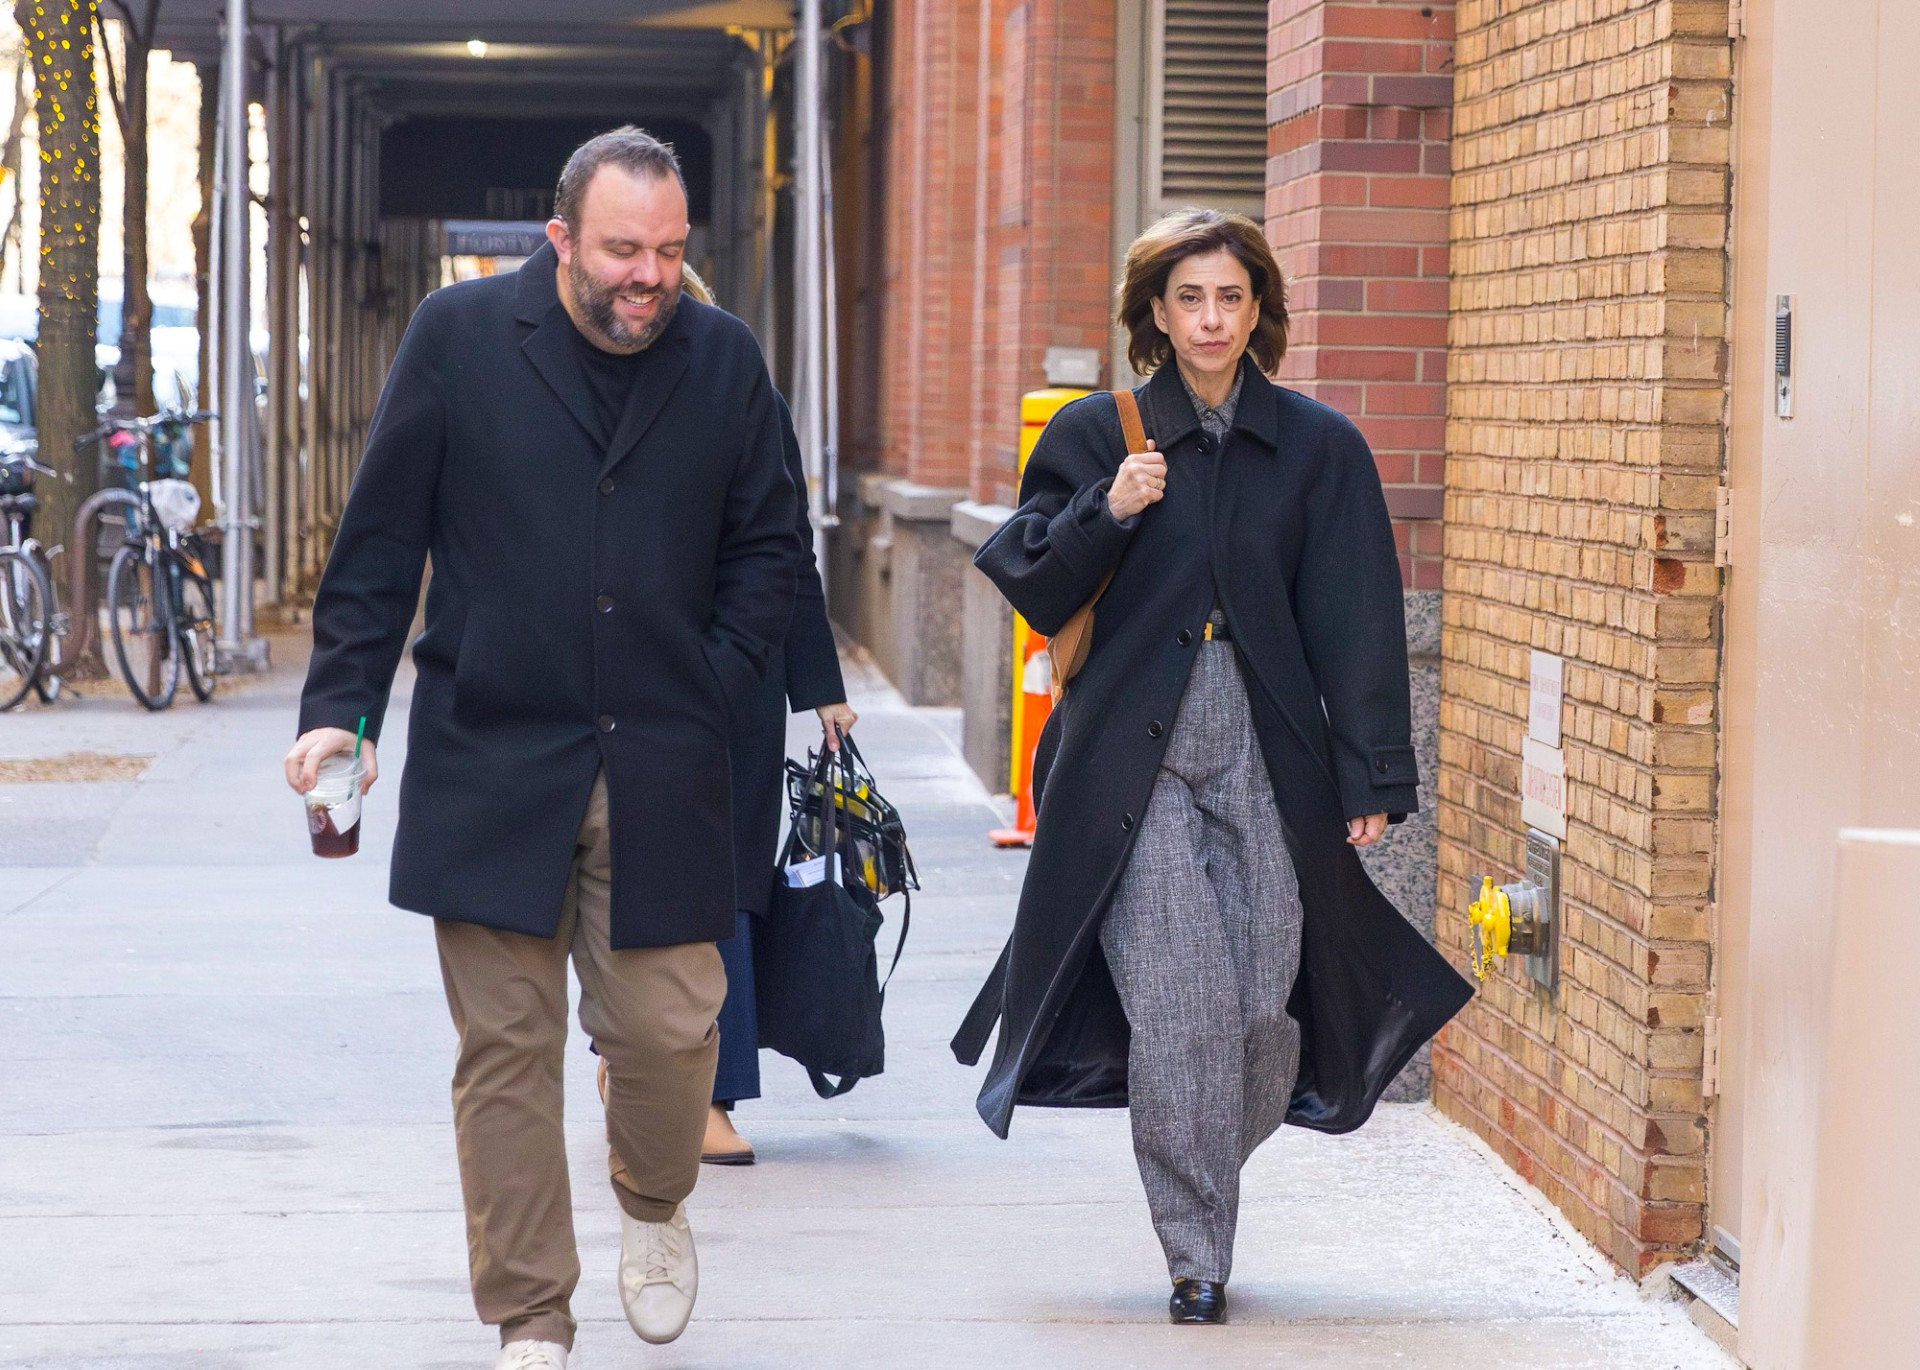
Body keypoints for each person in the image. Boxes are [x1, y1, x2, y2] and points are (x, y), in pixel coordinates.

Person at [283, 128, 798, 1370]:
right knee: (507, 1050)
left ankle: (654, 1197)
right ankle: (530, 1312)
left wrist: (711, 682)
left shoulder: (724, 361)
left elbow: (772, 550)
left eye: (672, 251)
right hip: (493, 751)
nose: (651, 277)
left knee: (675, 1036)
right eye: (626, 250)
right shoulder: (458, 341)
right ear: (559, 237)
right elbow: (380, 541)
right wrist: (337, 709)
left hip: (665, 760)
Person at [953, 208, 1472, 1325]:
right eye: (1188, 297)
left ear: (1259, 310)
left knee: (1254, 1007)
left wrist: (1372, 774)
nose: (1210, 318)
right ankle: (1199, 1251)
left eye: (1230, 296)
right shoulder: (1103, 432)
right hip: (1129, 757)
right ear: (1153, 312)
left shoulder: (1319, 445)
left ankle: (1183, 1130)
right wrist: (1111, 508)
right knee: (1184, 1005)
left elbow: (1358, 617)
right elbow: (1034, 578)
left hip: (1269, 746)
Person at [595, 267, 856, 1167]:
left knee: (727, 885)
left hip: (731, 683)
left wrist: (819, 683)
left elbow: (785, 547)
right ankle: (628, 1058)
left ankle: (712, 1092)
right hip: (618, 686)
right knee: (627, 878)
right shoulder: (597, 409)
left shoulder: (744, 394)